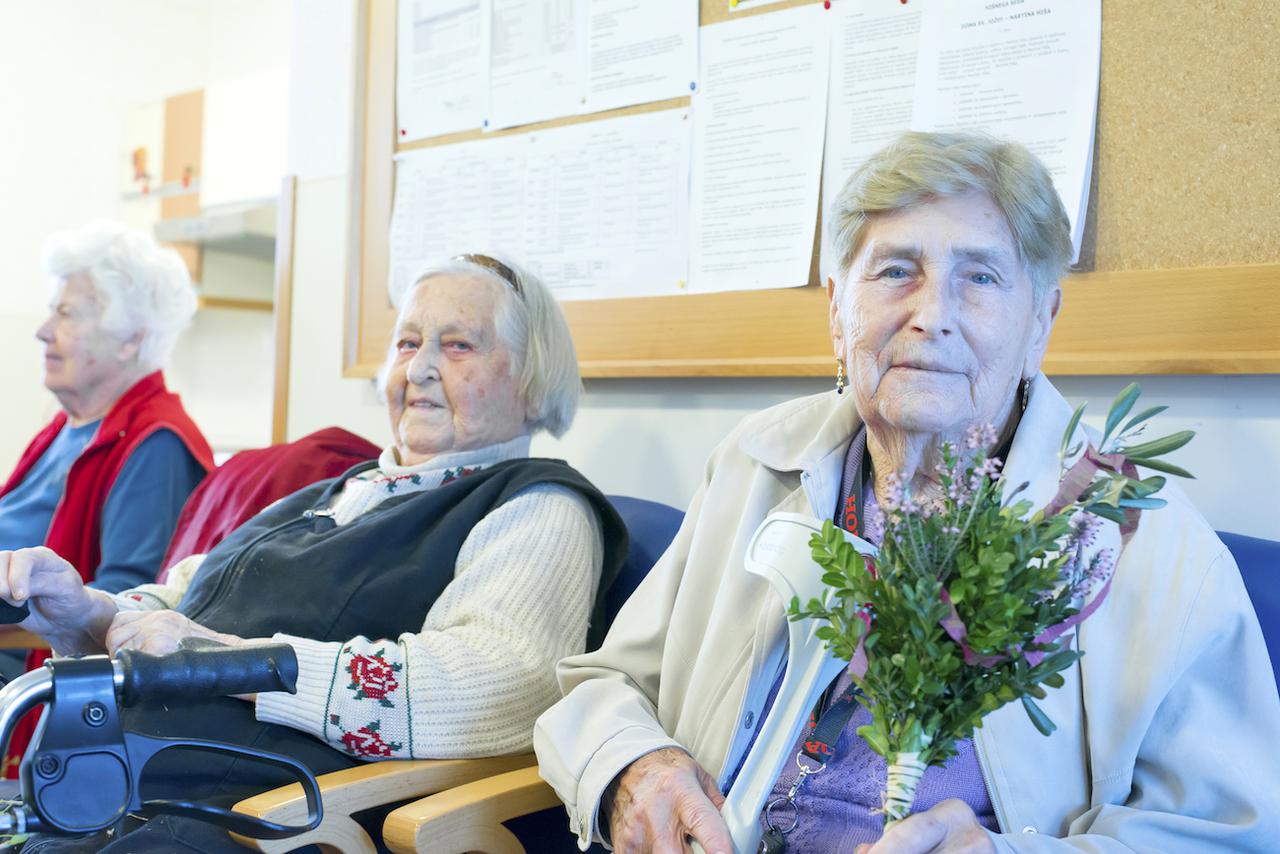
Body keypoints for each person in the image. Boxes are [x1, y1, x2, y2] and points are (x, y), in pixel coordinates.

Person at [534, 133, 1280, 853]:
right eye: (896, 271)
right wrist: (635, 768)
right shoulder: (754, 465)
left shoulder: (1139, 538)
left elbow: (1235, 835)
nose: (931, 315)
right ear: (837, 313)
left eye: (980, 277)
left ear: (1039, 325)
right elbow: (607, 685)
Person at [0, 253, 628, 852]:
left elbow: (497, 687)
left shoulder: (539, 507)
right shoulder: (333, 491)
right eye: (407, 343)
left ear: (531, 378)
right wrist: (86, 611)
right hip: (109, 800)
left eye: (458, 345)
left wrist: (233, 661)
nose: (419, 369)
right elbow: (185, 598)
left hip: (257, 824)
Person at [0, 221, 212, 596]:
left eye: (66, 314)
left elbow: (127, 596)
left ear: (130, 339)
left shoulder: (157, 444)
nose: (44, 331)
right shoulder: (68, 425)